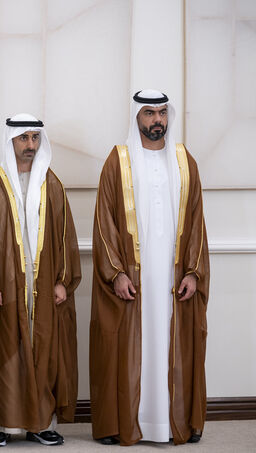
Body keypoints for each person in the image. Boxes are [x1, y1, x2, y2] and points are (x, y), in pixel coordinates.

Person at [90, 90, 210, 446]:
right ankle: (123, 423)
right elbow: (104, 222)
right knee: (128, 344)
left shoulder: (184, 160)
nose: (157, 120)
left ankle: (177, 421)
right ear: (136, 118)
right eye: (149, 114)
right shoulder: (118, 160)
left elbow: (197, 220)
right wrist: (117, 273)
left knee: (175, 342)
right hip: (134, 276)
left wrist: (193, 272)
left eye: (161, 113)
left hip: (174, 277)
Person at [0, 114, 81, 447]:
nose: (30, 145)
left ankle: (41, 422)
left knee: (43, 350)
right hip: (5, 286)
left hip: (44, 286)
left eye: (35, 138)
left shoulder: (52, 185)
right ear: (11, 141)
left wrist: (62, 280)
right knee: (6, 352)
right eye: (24, 139)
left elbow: (64, 237)